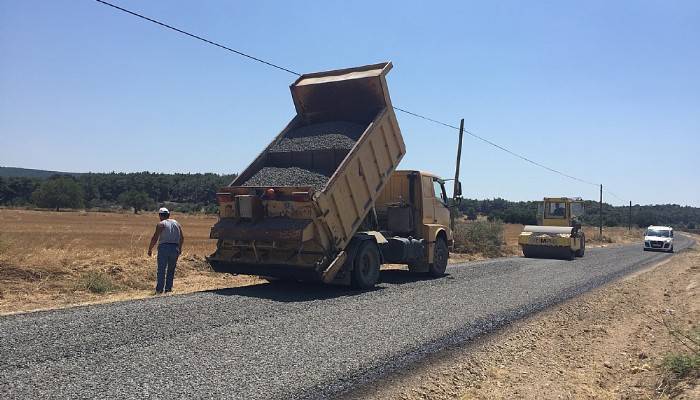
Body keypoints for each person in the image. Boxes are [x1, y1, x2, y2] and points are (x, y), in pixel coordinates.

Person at [147, 207, 184, 294]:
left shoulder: (161, 224)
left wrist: (150, 249)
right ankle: (168, 288)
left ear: (160, 215)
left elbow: (155, 238)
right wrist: (180, 248)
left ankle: (159, 289)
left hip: (164, 247)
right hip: (175, 247)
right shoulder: (177, 223)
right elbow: (182, 237)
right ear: (168, 215)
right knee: (171, 269)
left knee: (161, 269)